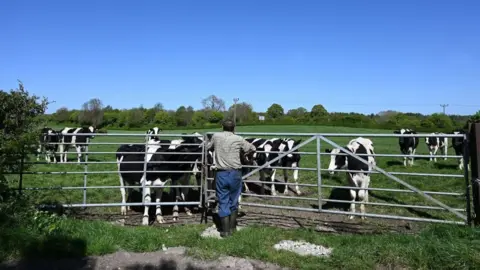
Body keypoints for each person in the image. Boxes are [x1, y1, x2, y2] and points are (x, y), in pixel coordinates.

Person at [205, 119, 256, 238]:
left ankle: (225, 231)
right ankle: (233, 228)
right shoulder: (238, 138)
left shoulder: (216, 136)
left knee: (223, 200)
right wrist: (245, 155)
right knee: (234, 200)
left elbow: (208, 147)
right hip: (235, 174)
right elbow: (252, 148)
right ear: (234, 128)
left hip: (221, 173)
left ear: (222, 127)